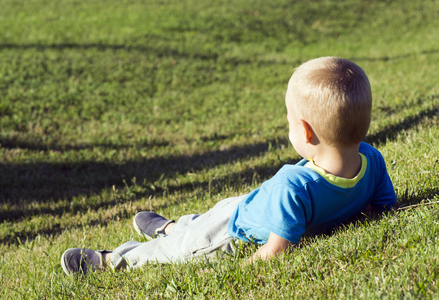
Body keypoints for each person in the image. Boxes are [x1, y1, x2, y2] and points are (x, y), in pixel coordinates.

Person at [61, 57, 397, 275]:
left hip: (232, 234)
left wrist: (232, 273)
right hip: (248, 205)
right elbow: (384, 208)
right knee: (203, 219)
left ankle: (112, 259)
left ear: (306, 131)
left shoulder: (293, 186)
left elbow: (276, 250)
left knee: (178, 250)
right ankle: (173, 227)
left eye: (289, 120)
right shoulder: (372, 160)